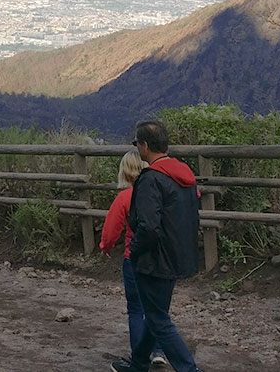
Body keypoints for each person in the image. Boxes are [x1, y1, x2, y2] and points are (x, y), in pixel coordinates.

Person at [111, 121, 202, 372]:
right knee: (154, 313)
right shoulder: (185, 175)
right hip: (177, 256)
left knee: (159, 319)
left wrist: (135, 250)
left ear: (145, 145)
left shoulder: (151, 179)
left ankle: (189, 369)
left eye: (137, 144)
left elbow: (148, 226)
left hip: (153, 260)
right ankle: (139, 364)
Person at [100, 151, 167, 367]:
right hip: (162, 258)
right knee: (157, 308)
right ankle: (158, 351)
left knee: (137, 309)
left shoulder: (125, 197)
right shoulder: (160, 192)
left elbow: (111, 229)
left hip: (134, 258)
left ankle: (140, 358)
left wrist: (106, 246)